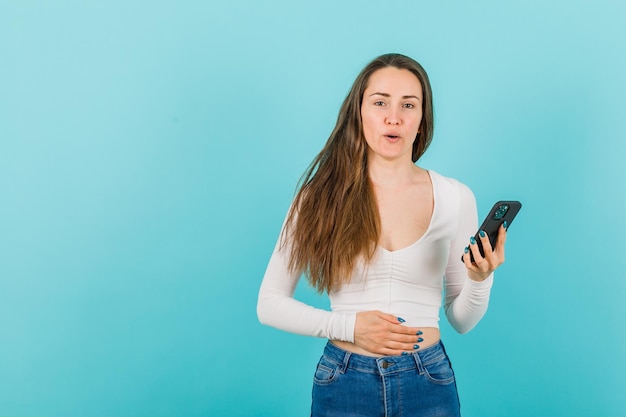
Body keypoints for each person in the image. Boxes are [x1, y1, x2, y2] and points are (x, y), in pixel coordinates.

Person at [257, 53, 507, 417]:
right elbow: (269, 303)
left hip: (429, 381)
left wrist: (480, 278)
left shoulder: (455, 197)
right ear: (358, 113)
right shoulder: (318, 197)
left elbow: (461, 321)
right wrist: (349, 326)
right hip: (344, 380)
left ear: (422, 119)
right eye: (380, 103)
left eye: (409, 104)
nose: (394, 117)